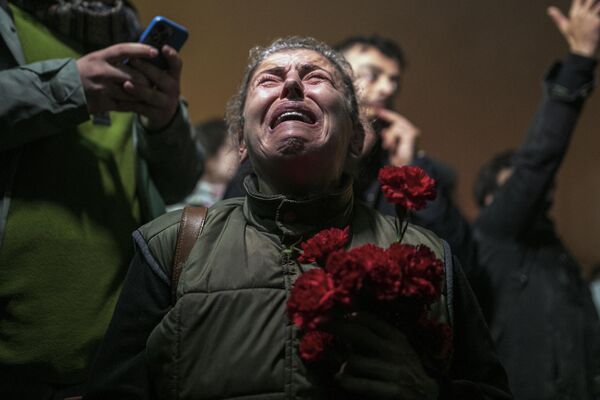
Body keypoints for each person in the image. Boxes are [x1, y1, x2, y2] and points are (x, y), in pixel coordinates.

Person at [86, 36, 511, 399]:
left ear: (357, 137)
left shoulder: (428, 256)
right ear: (241, 142)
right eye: (268, 79)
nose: (291, 83)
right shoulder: (170, 247)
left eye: (316, 77)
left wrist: (430, 392)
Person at [0, 1, 201, 398]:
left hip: (116, 367)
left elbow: (179, 182)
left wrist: (165, 122)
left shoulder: (131, 45)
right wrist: (68, 86)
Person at [472, 1, 600, 398]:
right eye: (520, 188)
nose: (539, 192)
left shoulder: (558, 255)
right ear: (493, 198)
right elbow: (538, 161)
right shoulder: (495, 233)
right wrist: (580, 60)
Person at [167, 118, 239, 211]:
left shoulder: (234, 193)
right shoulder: (180, 204)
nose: (238, 153)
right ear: (209, 154)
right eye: (231, 147)